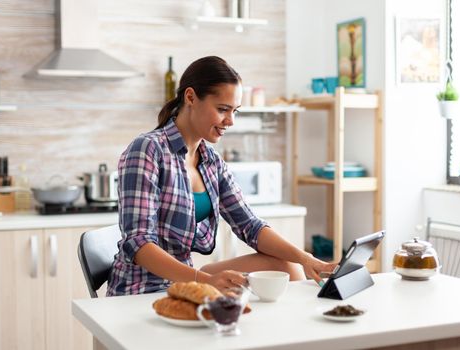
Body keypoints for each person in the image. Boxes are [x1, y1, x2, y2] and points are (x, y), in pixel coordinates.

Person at [107, 56, 336, 296]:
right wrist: (205, 280)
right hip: (143, 289)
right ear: (191, 97)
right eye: (222, 109)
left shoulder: (211, 161)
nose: (231, 121)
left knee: (287, 265)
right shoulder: (148, 149)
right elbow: (139, 244)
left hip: (187, 279)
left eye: (234, 111)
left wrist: (307, 259)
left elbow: (250, 226)